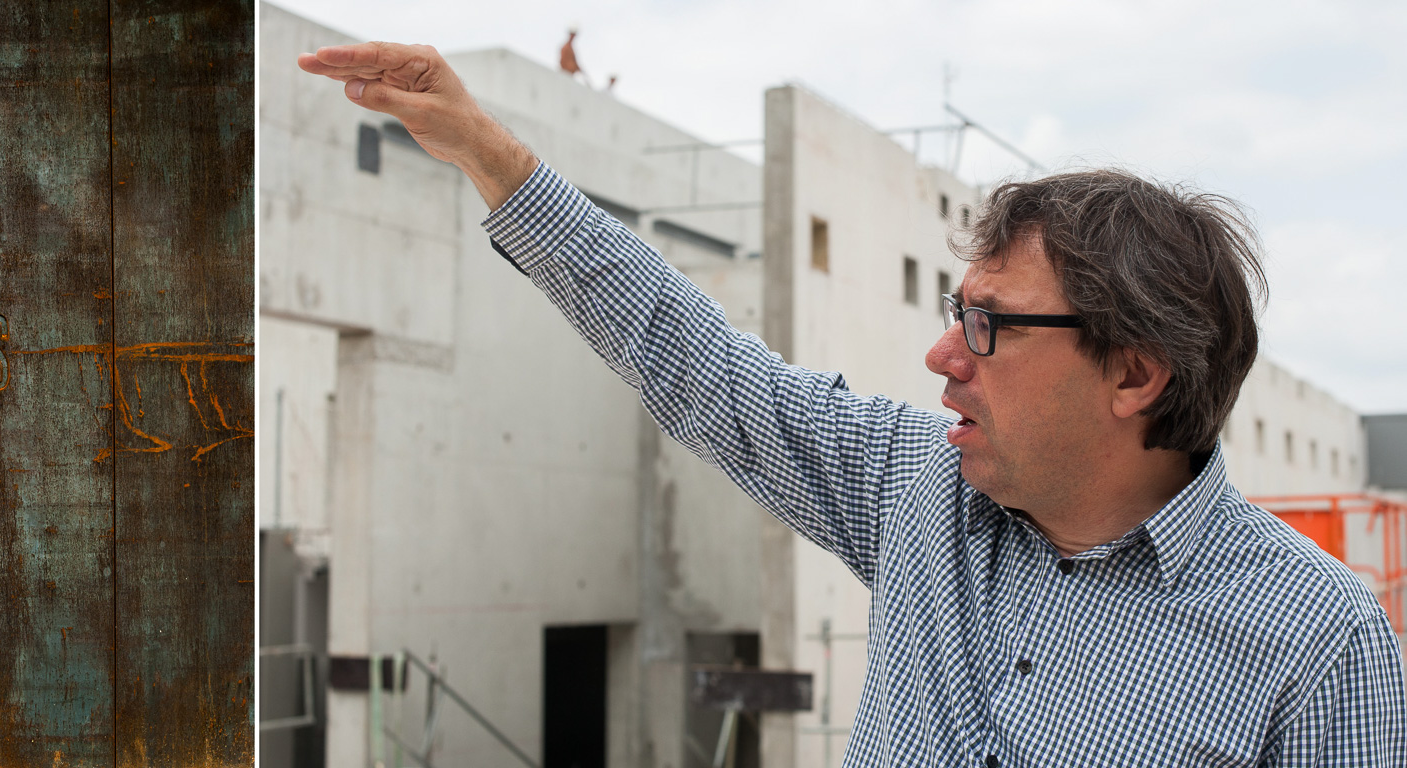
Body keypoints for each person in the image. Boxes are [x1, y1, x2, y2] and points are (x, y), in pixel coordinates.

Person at [299, 42, 1407, 765]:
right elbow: (700, 365)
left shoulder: (1320, 648)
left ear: (1134, 374)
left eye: (988, 324)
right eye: (950, 307)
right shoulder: (918, 487)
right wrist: (492, 157)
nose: (941, 354)